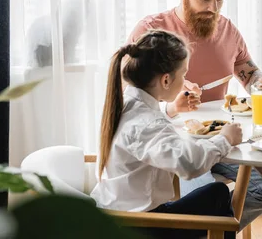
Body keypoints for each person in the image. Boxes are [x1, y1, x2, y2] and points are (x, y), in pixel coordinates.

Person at [128, 0, 262, 228]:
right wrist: (170, 101)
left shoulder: (227, 31)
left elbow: (249, 74)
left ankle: (206, 231)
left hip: (224, 137)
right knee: (203, 203)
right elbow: (129, 97)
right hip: (173, 143)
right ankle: (202, 227)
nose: (213, 7)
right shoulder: (152, 31)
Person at [91, 30, 243, 239]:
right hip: (139, 225)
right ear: (165, 81)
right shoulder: (147, 123)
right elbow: (189, 164)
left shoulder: (124, 105)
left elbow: (145, 132)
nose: (185, 80)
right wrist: (226, 138)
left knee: (215, 195)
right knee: (218, 195)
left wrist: (170, 110)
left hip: (113, 216)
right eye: (183, 74)